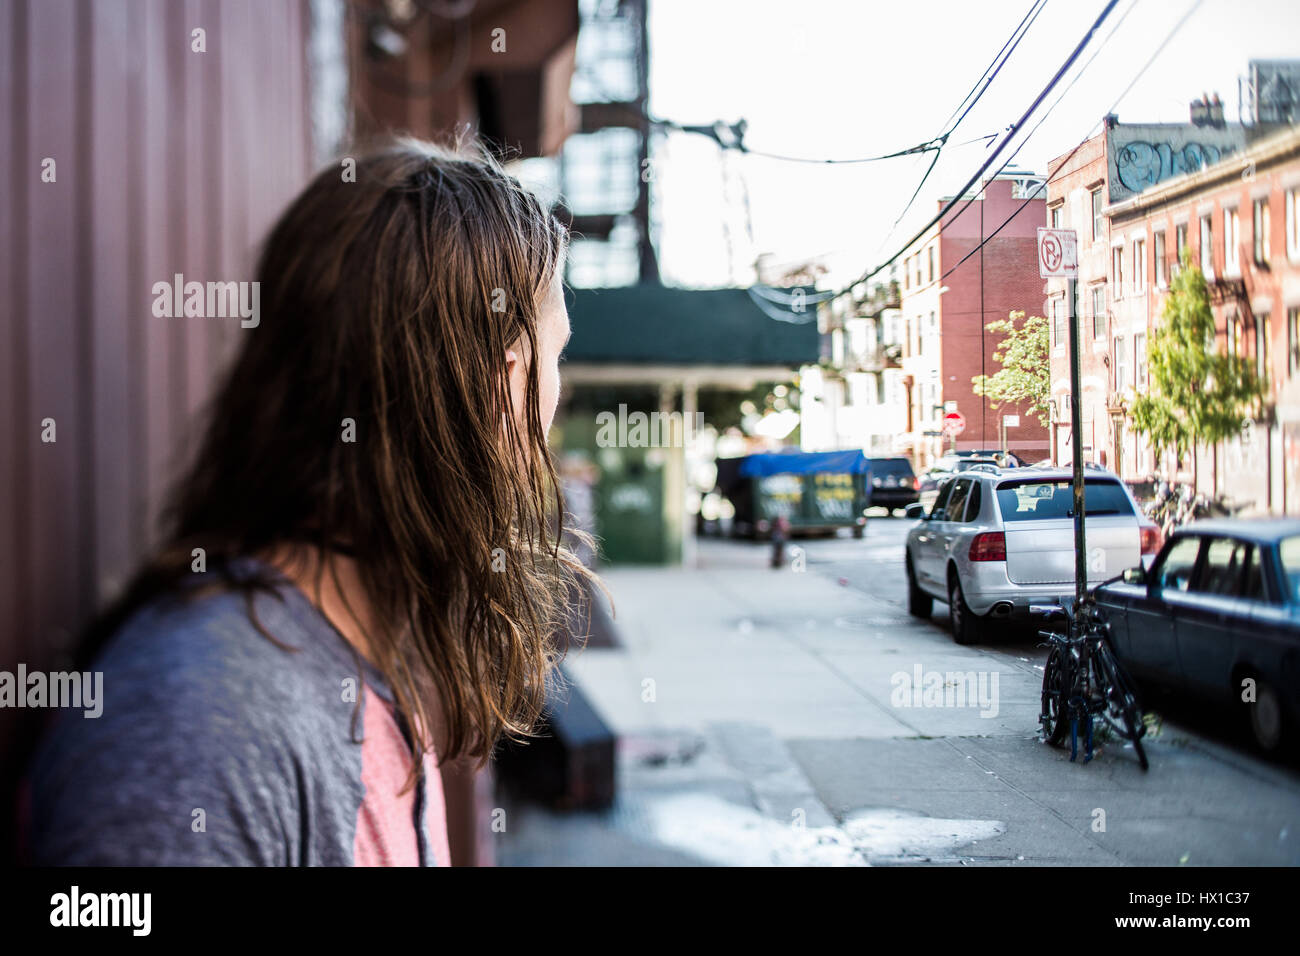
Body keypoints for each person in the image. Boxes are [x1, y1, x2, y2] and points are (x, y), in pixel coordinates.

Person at [20, 137, 596, 866]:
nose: (554, 407)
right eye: (555, 359)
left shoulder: (365, 656)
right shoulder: (206, 725)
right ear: (502, 380)